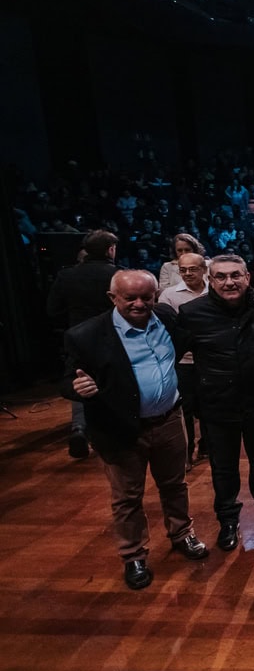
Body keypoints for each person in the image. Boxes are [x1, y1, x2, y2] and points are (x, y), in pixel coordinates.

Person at [60, 269, 208, 590]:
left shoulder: (166, 318)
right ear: (112, 298)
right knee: (127, 497)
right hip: (120, 428)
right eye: (130, 298)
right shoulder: (86, 335)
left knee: (175, 485)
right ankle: (133, 555)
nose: (139, 304)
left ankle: (182, 534)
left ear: (155, 296)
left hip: (169, 420)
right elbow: (67, 379)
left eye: (146, 297)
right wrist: (76, 387)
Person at [176, 254, 254, 551]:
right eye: (221, 276)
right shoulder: (191, 312)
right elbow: (173, 357)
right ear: (210, 280)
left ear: (247, 277)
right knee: (223, 468)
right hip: (216, 404)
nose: (229, 282)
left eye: (235, 275)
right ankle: (227, 520)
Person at [47, 229, 119, 459]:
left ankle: (79, 428)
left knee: (81, 380)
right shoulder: (118, 275)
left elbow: (52, 310)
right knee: (113, 380)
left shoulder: (66, 275)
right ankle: (110, 430)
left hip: (77, 336)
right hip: (113, 335)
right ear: (111, 250)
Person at [158, 252, 208, 467]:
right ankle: (186, 454)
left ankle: (207, 446)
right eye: (183, 270)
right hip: (183, 362)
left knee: (208, 406)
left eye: (193, 269)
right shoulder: (169, 295)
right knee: (185, 408)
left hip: (210, 360)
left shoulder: (215, 290)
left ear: (204, 270)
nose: (187, 273)